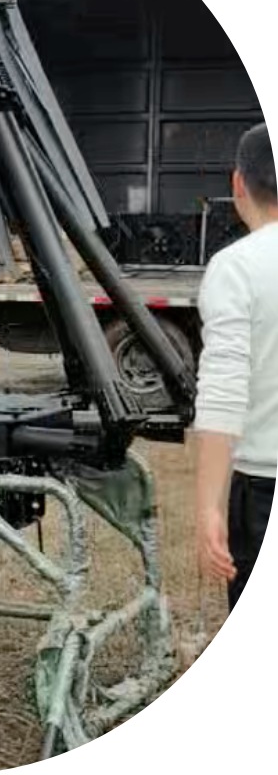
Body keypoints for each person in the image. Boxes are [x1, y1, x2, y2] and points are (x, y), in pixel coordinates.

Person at [194, 122, 277, 611]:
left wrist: (210, 508)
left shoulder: (238, 268)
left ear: (238, 183)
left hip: (262, 489)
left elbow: (223, 394)